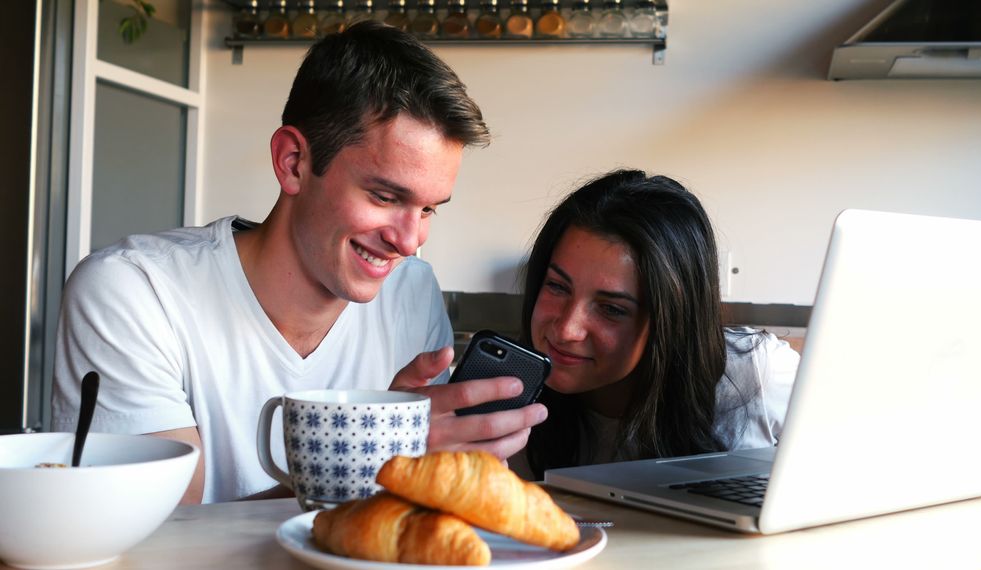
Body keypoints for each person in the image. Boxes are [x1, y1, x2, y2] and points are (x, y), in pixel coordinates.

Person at [51, 22, 546, 504]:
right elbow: (162, 536)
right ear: (293, 163)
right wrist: (375, 456)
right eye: (384, 195)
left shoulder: (410, 293)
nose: (409, 240)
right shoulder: (133, 291)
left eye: (428, 209)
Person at [511, 170, 801, 479]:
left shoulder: (758, 374)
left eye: (611, 309)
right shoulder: (504, 395)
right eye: (557, 286)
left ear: (671, 320)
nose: (568, 330)